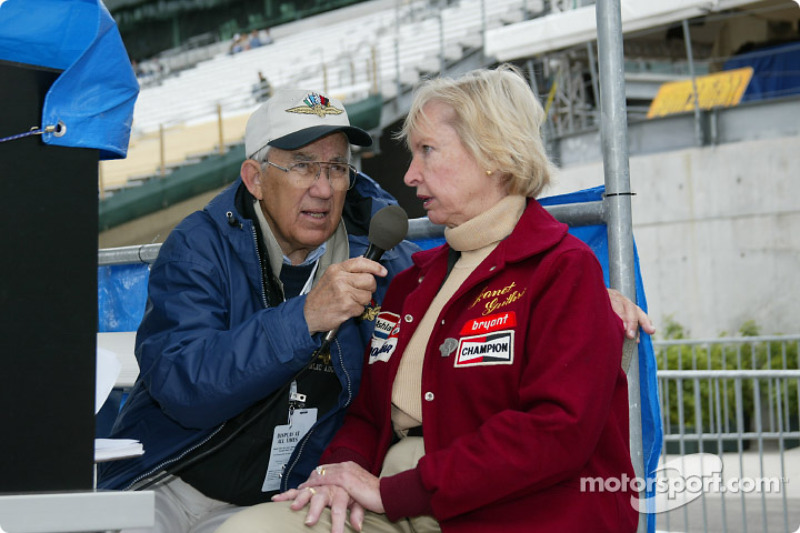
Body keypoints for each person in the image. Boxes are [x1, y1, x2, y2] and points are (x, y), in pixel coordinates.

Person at [216, 65, 644, 533]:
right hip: (397, 500)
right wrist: (337, 474)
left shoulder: (563, 270)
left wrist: (394, 491)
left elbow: (554, 432)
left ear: (493, 154)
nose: (410, 174)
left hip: (514, 510)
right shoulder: (408, 284)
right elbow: (367, 416)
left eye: (427, 151)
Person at [97, 89, 420, 533]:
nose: (323, 188)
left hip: (290, 499)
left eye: (337, 168)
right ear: (255, 178)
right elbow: (184, 385)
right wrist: (305, 317)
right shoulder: (198, 248)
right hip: (172, 483)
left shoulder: (386, 260)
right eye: (303, 165)